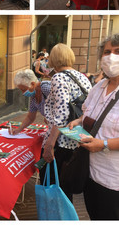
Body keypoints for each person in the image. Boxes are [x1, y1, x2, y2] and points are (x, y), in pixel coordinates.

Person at [68, 33, 119, 220]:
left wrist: (104, 144)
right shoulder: (98, 87)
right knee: (95, 216)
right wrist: (78, 121)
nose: (111, 57)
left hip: (115, 180)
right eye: (107, 52)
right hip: (91, 173)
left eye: (118, 51)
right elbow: (89, 114)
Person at [42, 43, 92, 201]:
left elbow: (62, 114)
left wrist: (50, 144)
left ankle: (54, 216)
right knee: (64, 185)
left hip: (60, 139)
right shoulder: (81, 77)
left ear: (54, 59)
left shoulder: (58, 77)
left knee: (52, 183)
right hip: (76, 137)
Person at [10, 69, 51, 135]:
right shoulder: (33, 96)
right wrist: (18, 130)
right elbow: (30, 117)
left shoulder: (46, 88)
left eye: (23, 89)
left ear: (32, 84)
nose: (23, 93)